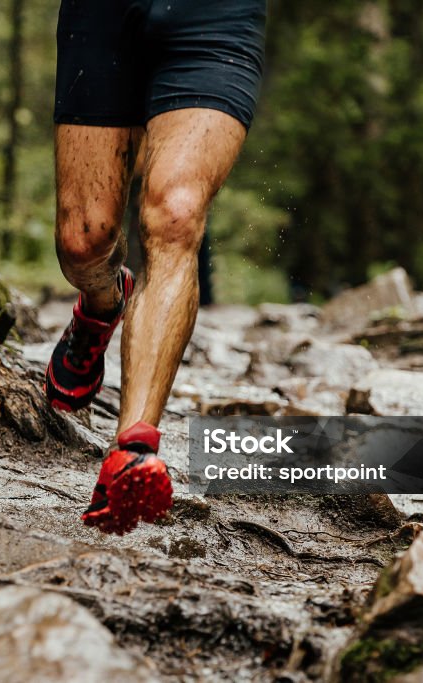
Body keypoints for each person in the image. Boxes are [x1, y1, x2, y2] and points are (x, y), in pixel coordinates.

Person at [45, 0, 268, 535]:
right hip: (102, 16)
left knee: (176, 213)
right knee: (83, 240)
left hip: (216, 17)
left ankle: (132, 451)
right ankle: (102, 304)